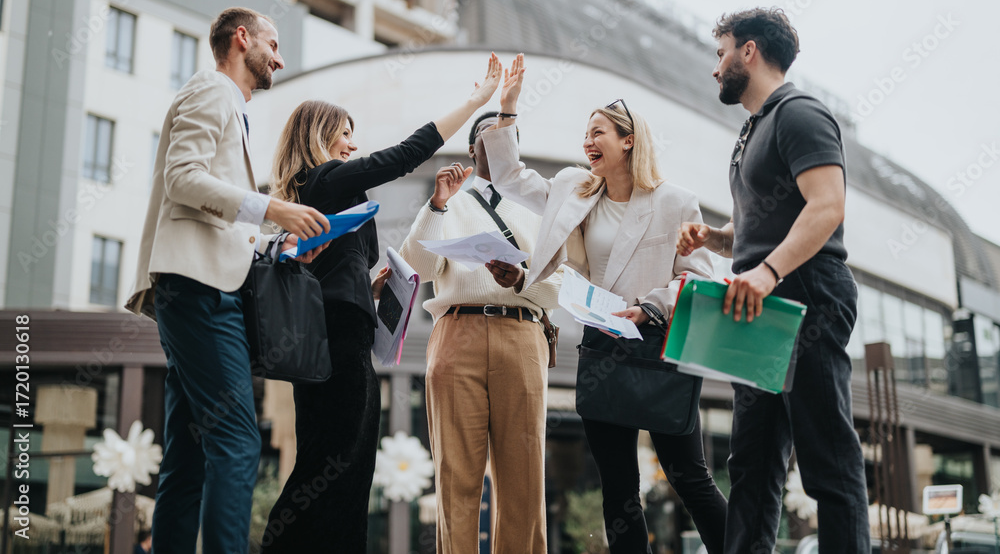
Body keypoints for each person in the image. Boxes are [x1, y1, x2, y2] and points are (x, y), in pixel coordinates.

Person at [482, 55, 728, 554]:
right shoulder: (574, 189)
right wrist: (507, 110)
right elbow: (509, 178)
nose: (587, 142)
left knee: (690, 479)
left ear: (628, 140)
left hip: (659, 346)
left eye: (598, 132)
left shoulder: (675, 201)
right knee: (618, 490)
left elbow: (698, 275)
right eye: (585, 134)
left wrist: (649, 308)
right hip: (601, 348)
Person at [260, 54, 504, 553]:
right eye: (346, 133)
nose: (354, 143)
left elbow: (329, 268)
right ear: (319, 136)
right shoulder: (325, 179)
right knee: (334, 463)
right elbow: (405, 154)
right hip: (336, 339)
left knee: (344, 464)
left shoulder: (323, 192)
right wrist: (477, 100)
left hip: (345, 333)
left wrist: (371, 289)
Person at [126, 7, 331, 553]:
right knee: (238, 443)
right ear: (242, 39)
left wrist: (275, 242)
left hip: (200, 286)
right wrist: (274, 210)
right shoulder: (213, 92)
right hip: (198, 291)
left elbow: (219, 219)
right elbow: (182, 179)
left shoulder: (228, 106)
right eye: (273, 44)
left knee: (188, 458)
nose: (280, 58)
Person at [676, 7, 870, 553]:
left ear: (750, 51)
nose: (715, 68)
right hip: (757, 306)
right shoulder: (751, 132)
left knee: (826, 455)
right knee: (752, 463)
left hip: (806, 294)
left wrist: (767, 270)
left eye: (721, 53)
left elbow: (827, 206)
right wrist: (717, 239)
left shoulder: (799, 112)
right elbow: (763, 230)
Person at [398, 111, 562, 554]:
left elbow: (560, 286)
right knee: (456, 477)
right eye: (484, 136)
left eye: (504, 136)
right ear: (471, 149)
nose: (493, 142)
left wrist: (521, 279)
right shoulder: (450, 203)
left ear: (515, 147)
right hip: (458, 333)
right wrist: (437, 204)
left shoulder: (541, 206)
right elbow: (419, 266)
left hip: (522, 334)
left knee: (524, 479)